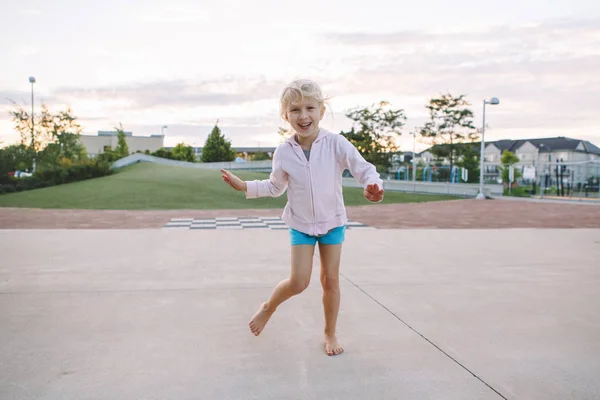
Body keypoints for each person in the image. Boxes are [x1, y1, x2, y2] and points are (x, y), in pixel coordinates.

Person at [221, 79, 384, 356]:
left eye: (310, 108)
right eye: (295, 110)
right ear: (286, 116)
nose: (303, 116)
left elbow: (364, 169)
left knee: (330, 280)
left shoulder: (336, 144)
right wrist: (244, 186)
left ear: (322, 110)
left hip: (332, 222)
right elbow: (275, 186)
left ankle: (329, 333)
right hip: (301, 225)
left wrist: (375, 186)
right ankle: (267, 307)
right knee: (299, 282)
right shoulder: (284, 151)